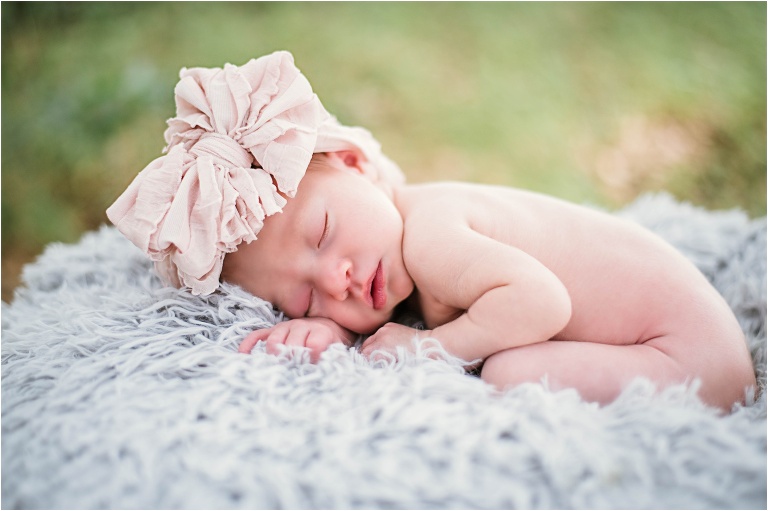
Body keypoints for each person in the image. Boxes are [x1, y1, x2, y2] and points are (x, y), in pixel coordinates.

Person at [107, 52, 756, 410]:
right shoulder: (396, 246)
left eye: (324, 234)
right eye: (305, 298)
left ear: (359, 165)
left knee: (507, 373)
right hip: (686, 339)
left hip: (691, 360)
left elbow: (542, 303)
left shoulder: (430, 235)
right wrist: (333, 328)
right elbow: (385, 313)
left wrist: (430, 351)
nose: (337, 280)